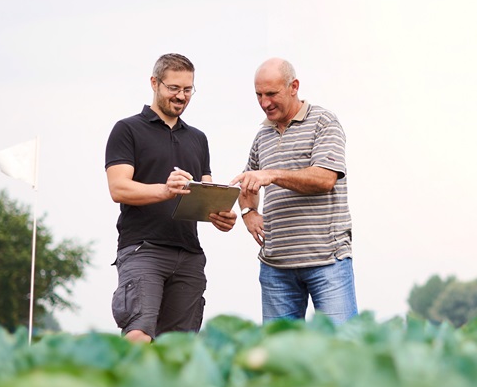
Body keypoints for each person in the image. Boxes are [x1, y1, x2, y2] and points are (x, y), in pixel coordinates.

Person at [105, 53, 236, 342]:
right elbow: (119, 189)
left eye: (188, 90)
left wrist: (220, 216)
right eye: (173, 88)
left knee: (178, 349)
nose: (181, 96)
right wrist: (164, 190)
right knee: (138, 334)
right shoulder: (127, 130)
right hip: (143, 249)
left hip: (189, 254)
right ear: (154, 83)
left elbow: (206, 195)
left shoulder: (198, 138)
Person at [231, 57, 357, 324]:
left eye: (272, 94)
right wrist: (248, 212)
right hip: (276, 267)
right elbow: (249, 181)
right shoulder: (262, 136)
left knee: (344, 349)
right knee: (279, 359)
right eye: (259, 95)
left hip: (327, 261)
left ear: (294, 86)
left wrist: (272, 174)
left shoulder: (324, 122)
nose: (265, 103)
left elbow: (324, 178)